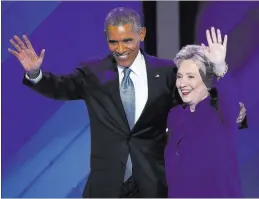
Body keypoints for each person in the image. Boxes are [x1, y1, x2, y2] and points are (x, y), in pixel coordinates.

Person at [8, 7, 227, 198]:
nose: (120, 49)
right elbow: (60, 87)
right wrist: (35, 73)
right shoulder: (93, 73)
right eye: (113, 42)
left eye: (127, 40)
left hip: (152, 185)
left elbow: (202, 99)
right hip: (106, 187)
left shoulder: (167, 72)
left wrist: (219, 69)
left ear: (141, 34)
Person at [165, 28, 247, 198]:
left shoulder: (220, 110)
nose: (182, 83)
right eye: (180, 76)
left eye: (191, 76)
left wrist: (219, 66)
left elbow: (233, 107)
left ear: (207, 81)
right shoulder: (174, 116)